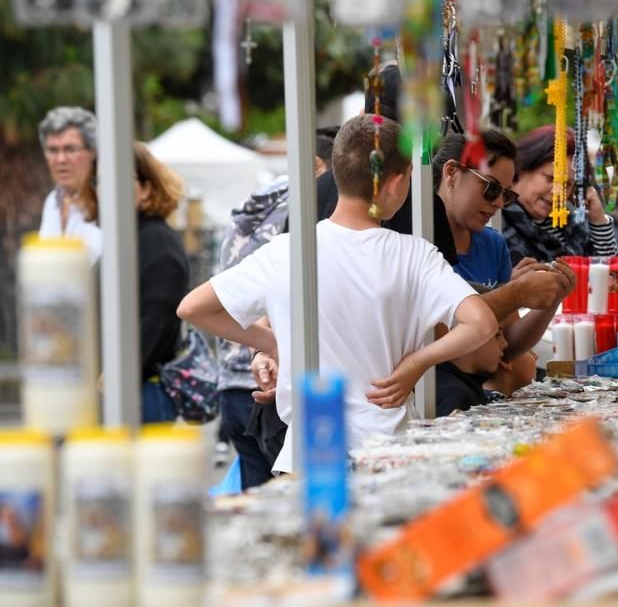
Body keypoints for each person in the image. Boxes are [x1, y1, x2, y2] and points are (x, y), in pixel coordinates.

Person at [177, 114, 499, 471]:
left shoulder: (288, 249)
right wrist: (418, 363)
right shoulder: (414, 255)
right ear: (394, 184)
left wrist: (271, 342)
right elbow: (481, 324)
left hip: (307, 454)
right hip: (386, 454)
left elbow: (193, 308)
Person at [214, 133, 336, 488]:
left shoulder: (249, 210)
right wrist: (270, 343)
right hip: (275, 383)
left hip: (234, 381)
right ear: (317, 166)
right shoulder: (305, 215)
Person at [431, 131, 574, 398]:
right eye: (491, 188)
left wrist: (554, 294)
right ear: (451, 174)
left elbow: (508, 345)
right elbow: (437, 333)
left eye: (506, 194)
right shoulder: (420, 244)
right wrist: (514, 292)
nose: (498, 203)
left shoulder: (493, 244)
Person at [79, 142, 189, 422]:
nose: (107, 188)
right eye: (101, 180)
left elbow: (157, 319)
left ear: (146, 188)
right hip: (118, 391)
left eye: (119, 177)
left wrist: (116, 373)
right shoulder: (126, 240)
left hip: (140, 395)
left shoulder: (157, 242)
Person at [503, 126, 618, 266]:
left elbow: (611, 275)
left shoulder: (572, 225)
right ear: (522, 169)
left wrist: (598, 220)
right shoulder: (496, 222)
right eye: (551, 179)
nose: (557, 192)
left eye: (567, 185)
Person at [37, 106, 102, 264]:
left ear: (92, 151)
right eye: (53, 150)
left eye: (70, 149)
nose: (61, 159)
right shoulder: (52, 202)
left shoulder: (107, 204)